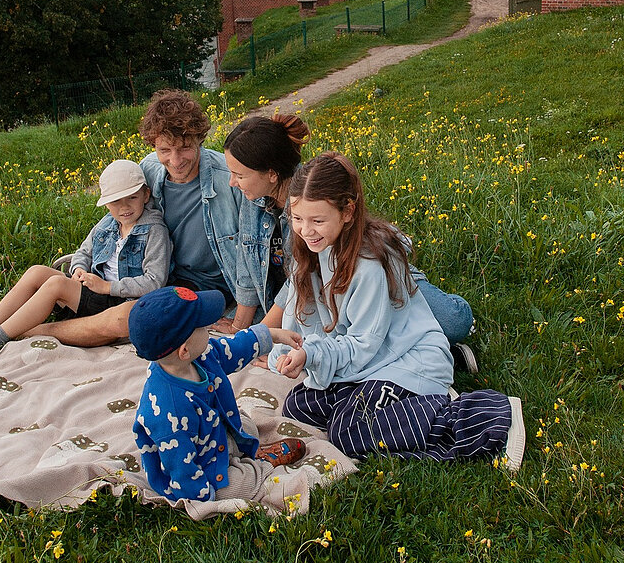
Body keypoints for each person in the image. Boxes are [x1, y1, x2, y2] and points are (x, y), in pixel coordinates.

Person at [267, 153, 525, 468]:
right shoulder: (309, 254)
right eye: (297, 219)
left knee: (348, 433)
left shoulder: (368, 266)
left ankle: (476, 414)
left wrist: (313, 356)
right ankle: (409, 403)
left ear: (347, 211)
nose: (306, 231)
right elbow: (300, 327)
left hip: (403, 359)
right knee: (298, 406)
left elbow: (362, 343)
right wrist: (283, 351)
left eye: (317, 220)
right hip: (366, 363)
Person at [0, 89, 244, 349]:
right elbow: (117, 216)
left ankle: (24, 331)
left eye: (184, 147)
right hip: (138, 275)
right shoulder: (148, 168)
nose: (175, 160)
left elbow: (250, 254)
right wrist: (82, 263)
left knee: (128, 318)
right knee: (40, 274)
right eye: (165, 150)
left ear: (199, 139)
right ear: (154, 146)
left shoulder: (229, 179)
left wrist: (244, 319)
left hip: (195, 286)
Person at [223, 112, 479, 372]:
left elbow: (295, 284)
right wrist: (241, 332)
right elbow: (254, 269)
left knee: (451, 322)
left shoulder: (311, 196)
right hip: (323, 293)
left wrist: (260, 338)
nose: (232, 182)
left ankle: (427, 346)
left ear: (271, 174)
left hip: (369, 269)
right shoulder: (253, 199)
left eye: (239, 174)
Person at [0, 160, 169, 367]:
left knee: (57, 284)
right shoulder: (107, 223)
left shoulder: (154, 231)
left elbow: (155, 282)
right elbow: (83, 253)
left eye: (132, 198)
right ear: (106, 204)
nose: (124, 207)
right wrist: (78, 269)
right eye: (115, 201)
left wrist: (106, 287)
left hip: (119, 301)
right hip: (96, 291)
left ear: (146, 195)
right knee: (37, 272)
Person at [129, 285, 306, 504]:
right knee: (240, 484)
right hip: (199, 470)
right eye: (203, 327)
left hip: (213, 435)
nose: (211, 328)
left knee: (246, 425)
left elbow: (233, 348)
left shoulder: (199, 356)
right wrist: (204, 498)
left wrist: (271, 335)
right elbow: (181, 468)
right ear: (184, 350)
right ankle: (264, 466)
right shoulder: (169, 412)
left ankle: (244, 450)